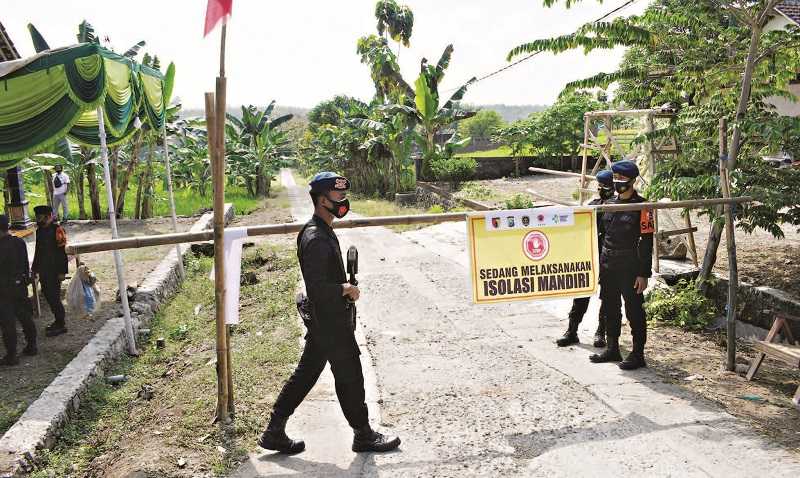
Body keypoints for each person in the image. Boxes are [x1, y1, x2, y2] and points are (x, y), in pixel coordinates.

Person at [258, 172, 401, 454]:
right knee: (350, 376)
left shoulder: (322, 230)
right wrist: (345, 288)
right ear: (322, 200)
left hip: (328, 319)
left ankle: (274, 430)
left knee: (306, 374)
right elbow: (317, 288)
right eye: (338, 197)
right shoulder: (315, 238)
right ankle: (363, 434)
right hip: (330, 321)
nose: (343, 201)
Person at [589, 160, 654, 370]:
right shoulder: (607, 205)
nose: (618, 182)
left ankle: (637, 354)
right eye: (615, 178)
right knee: (610, 307)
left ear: (633, 181)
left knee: (634, 310)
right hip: (608, 264)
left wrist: (643, 273)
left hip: (630, 267)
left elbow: (647, 241)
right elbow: (600, 235)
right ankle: (612, 348)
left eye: (622, 179)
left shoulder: (643, 207)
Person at [556, 169, 614, 348]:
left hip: (609, 257)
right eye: (600, 185)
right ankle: (572, 330)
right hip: (589, 256)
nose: (602, 189)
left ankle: (600, 332)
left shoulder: (619, 206)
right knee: (581, 293)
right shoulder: (592, 205)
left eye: (605, 186)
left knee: (607, 295)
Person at [0, 215, 37, 366]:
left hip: (3, 289)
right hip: (19, 285)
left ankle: (12, 355)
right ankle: (32, 345)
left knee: (8, 323)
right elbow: (24, 264)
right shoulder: (19, 242)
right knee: (25, 317)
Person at [31, 205, 69, 337]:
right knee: (47, 294)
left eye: (40, 217)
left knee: (54, 297)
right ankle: (58, 321)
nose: (37, 219)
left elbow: (62, 253)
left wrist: (62, 272)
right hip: (43, 270)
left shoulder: (58, 230)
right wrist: (34, 268)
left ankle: (61, 323)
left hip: (55, 270)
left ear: (48, 216)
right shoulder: (40, 230)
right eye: (37, 217)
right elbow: (38, 250)